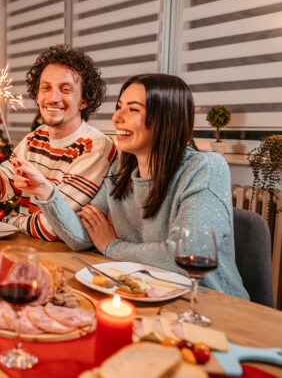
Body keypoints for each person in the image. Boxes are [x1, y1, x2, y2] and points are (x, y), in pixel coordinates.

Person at [14, 73, 248, 299]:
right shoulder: (120, 171)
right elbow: (83, 237)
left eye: (133, 109)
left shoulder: (204, 167)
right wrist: (47, 193)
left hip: (211, 306)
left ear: (165, 117)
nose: (117, 118)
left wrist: (111, 245)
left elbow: (185, 257)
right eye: (119, 107)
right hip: (146, 296)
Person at [0, 44, 117, 241]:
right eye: (45, 88)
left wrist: (10, 222)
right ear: (37, 95)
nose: (53, 98)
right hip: (33, 248)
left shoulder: (96, 147)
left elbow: (54, 228)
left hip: (68, 258)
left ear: (84, 100)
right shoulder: (35, 138)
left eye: (66, 89)